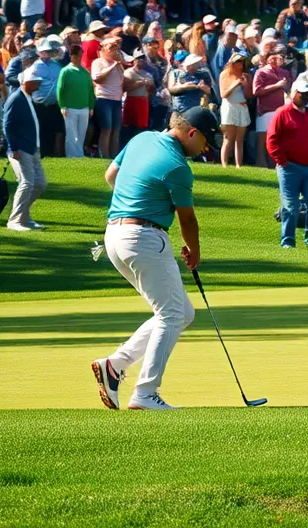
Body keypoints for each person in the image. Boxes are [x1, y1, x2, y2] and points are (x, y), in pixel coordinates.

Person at [92, 106, 218, 411]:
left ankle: (115, 365)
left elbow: (112, 175)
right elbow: (187, 220)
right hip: (144, 238)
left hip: (114, 236)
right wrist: (194, 251)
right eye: (205, 142)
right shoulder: (178, 166)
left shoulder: (141, 139)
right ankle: (146, 394)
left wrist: (136, 199)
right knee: (171, 315)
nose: (206, 149)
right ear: (192, 133)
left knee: (181, 313)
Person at [267, 75, 308, 250]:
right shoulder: (282, 113)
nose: (306, 97)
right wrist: (281, 160)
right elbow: (272, 139)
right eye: (303, 94)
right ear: (293, 93)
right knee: (290, 206)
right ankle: (288, 242)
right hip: (289, 168)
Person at [2, 67, 49, 232]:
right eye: (36, 81)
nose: (38, 84)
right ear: (27, 82)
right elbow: (7, 125)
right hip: (20, 149)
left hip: (32, 148)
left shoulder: (28, 97)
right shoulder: (16, 98)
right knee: (27, 183)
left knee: (40, 183)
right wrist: (13, 147)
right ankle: (15, 220)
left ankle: (24, 217)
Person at [57, 44, 94, 159]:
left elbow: (90, 90)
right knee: (71, 133)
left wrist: (91, 106)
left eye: (80, 55)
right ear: (71, 56)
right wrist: (62, 106)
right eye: (76, 56)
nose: (79, 58)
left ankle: (79, 154)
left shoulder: (85, 72)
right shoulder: (65, 71)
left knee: (81, 133)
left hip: (84, 107)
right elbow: (60, 90)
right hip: (70, 107)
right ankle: (71, 155)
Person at [218, 53, 249, 168]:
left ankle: (238, 165)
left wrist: (245, 85)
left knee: (240, 139)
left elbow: (249, 95)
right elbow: (223, 94)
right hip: (229, 106)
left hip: (242, 106)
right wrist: (235, 84)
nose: (240, 64)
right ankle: (224, 164)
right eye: (237, 61)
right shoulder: (224, 75)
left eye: (242, 61)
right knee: (228, 138)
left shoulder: (244, 75)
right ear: (232, 62)